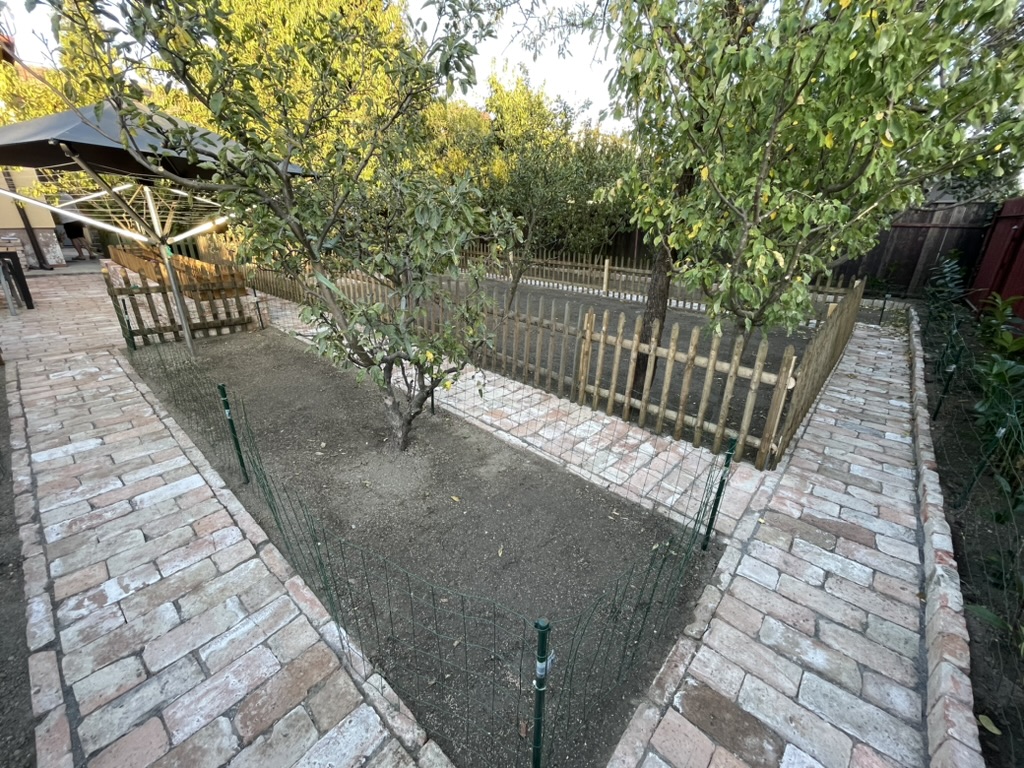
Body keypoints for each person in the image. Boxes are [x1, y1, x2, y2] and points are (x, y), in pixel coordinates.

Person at [56, 193, 96, 260]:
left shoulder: (61, 197)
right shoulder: (70, 197)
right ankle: (91, 253)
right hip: (76, 219)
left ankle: (81, 255)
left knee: (74, 238)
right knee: (81, 237)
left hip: (67, 221)